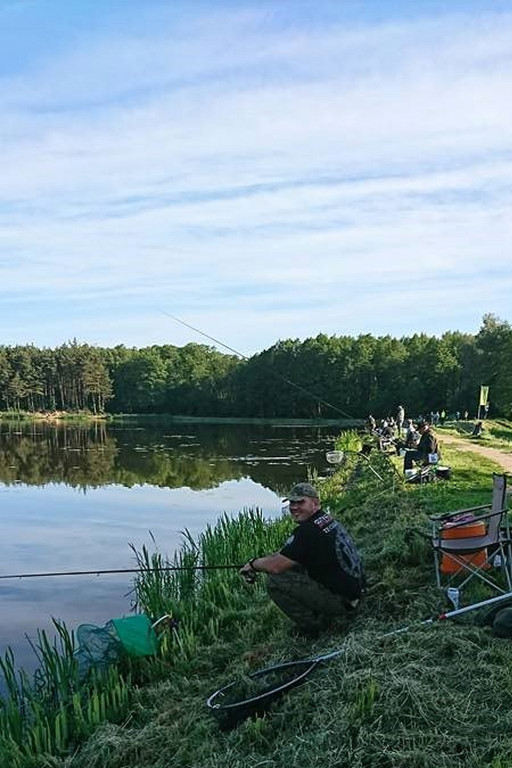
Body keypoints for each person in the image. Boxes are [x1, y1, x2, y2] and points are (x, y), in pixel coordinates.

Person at [240, 483, 364, 635]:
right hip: (355, 592)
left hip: (342, 603)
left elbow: (275, 567)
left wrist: (253, 564)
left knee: (275, 580)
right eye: (292, 502)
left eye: (300, 502)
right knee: (292, 565)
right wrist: (267, 561)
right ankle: (324, 612)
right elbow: (286, 555)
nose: (294, 507)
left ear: (315, 503)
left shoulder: (307, 532)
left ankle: (314, 627)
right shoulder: (326, 519)